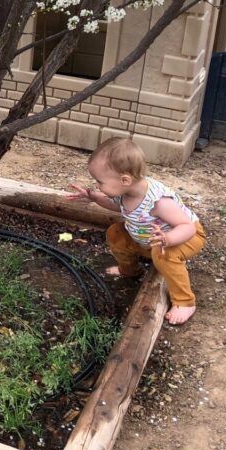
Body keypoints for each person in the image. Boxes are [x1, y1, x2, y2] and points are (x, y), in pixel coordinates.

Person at [66, 137, 206, 325]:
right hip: (150, 238)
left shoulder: (159, 202)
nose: (97, 185)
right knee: (115, 233)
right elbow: (115, 205)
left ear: (124, 180)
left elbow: (186, 226)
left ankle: (185, 301)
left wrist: (169, 239)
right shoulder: (125, 191)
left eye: (99, 182)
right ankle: (130, 270)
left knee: (165, 255)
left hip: (184, 237)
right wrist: (92, 196)